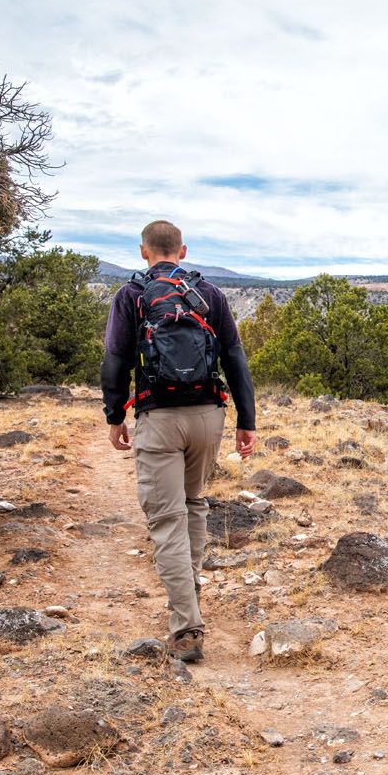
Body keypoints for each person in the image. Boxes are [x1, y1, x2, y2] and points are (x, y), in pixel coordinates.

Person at [100, 220, 256, 663]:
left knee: (167, 519)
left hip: (159, 416)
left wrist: (115, 416)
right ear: (182, 251)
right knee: (193, 505)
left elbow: (115, 361)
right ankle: (188, 597)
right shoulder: (210, 294)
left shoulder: (131, 296)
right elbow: (235, 357)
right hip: (209, 415)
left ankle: (186, 628)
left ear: (143, 252)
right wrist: (248, 420)